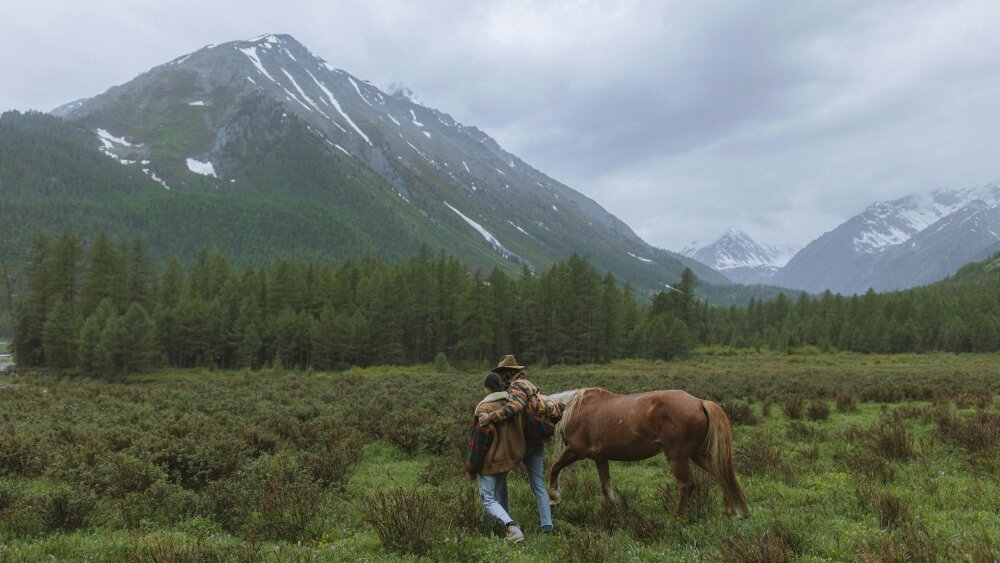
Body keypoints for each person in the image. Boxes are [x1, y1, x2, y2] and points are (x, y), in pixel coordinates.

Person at [477, 355, 554, 534]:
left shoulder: (517, 386)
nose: (501, 378)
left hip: (522, 442)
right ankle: (547, 525)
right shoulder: (530, 385)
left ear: (508, 373)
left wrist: (490, 416)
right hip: (537, 440)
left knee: (501, 478)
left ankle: (506, 521)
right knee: (538, 484)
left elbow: (514, 408)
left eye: (503, 373)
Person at [467, 371, 526, 543]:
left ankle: (512, 528)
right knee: (495, 496)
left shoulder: (484, 408)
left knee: (488, 499)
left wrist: (472, 468)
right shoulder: (510, 403)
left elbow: (478, 442)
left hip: (490, 462)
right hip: (506, 459)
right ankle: (491, 526)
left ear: (487, 388)